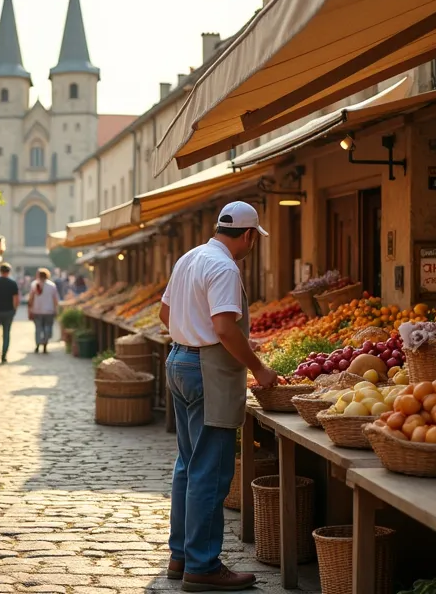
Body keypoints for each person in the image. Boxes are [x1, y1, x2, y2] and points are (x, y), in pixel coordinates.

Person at [159, 201, 278, 591]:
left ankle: (181, 556)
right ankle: (202, 565)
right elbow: (224, 328)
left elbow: (166, 315)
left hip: (179, 360)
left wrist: (198, 334)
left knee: (188, 465)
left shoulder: (190, 257)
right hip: (206, 371)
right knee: (210, 470)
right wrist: (259, 367)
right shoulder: (225, 267)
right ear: (248, 236)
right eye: (254, 239)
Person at [28, 268, 60, 353]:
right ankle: (45, 345)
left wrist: (30, 310)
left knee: (38, 329)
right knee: (47, 328)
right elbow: (55, 300)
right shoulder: (52, 285)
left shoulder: (34, 284)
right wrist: (56, 310)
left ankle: (38, 345)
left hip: (37, 310)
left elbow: (31, 299)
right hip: (49, 311)